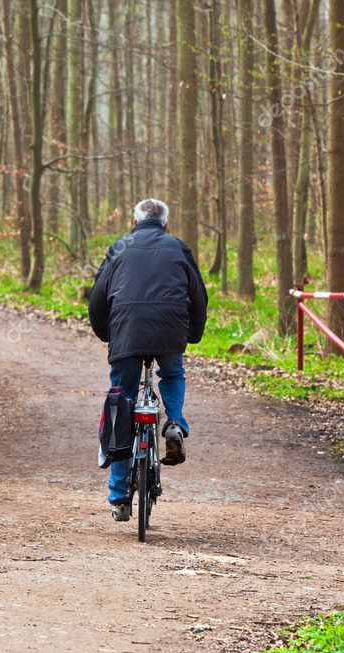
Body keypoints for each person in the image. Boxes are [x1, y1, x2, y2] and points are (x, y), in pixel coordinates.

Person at [88, 198, 208, 522]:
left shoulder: (120, 247)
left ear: (134, 223)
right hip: (170, 329)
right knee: (171, 374)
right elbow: (198, 297)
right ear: (166, 224)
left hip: (126, 330)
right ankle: (174, 424)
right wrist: (192, 335)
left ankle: (118, 498)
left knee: (122, 406)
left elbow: (97, 297)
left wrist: (106, 333)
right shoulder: (179, 247)